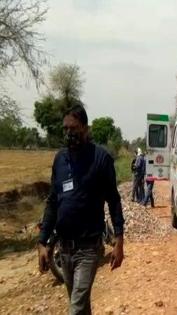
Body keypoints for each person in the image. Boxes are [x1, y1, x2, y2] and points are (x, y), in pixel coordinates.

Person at [38, 105, 125, 315]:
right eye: (65, 129)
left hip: (88, 248)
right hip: (64, 248)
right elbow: (52, 201)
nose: (69, 133)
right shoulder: (60, 160)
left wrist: (119, 241)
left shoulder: (101, 159)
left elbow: (113, 200)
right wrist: (43, 242)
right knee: (81, 306)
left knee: (75, 308)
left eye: (74, 128)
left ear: (85, 128)